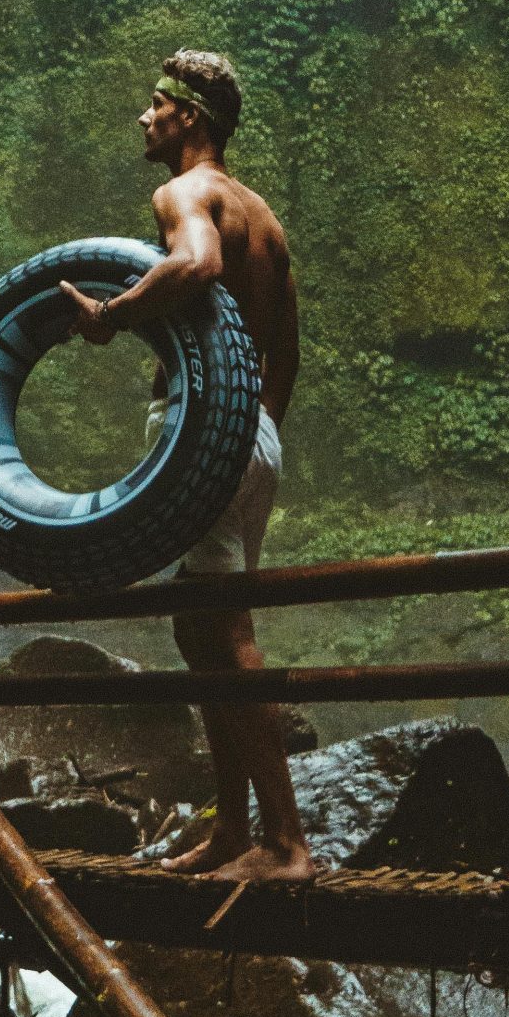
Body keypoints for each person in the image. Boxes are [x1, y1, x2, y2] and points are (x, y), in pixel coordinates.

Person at [61, 50, 313, 883]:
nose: (143, 118)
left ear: (188, 118)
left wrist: (112, 315)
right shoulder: (265, 218)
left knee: (223, 628)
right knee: (198, 623)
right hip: (252, 434)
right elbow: (286, 350)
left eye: (154, 106)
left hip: (211, 431)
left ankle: (285, 844)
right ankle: (237, 831)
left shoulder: (185, 194)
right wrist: (249, 427)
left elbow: (197, 264)